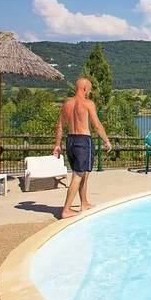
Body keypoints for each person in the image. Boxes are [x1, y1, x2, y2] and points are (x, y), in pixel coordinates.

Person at [52, 77, 112, 219]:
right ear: (85, 89)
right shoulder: (88, 103)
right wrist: (106, 141)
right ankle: (66, 210)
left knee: (82, 173)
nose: (90, 91)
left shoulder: (66, 104)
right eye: (89, 89)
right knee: (78, 175)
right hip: (83, 141)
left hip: (70, 141)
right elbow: (97, 125)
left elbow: (60, 126)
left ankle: (84, 203)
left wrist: (57, 145)